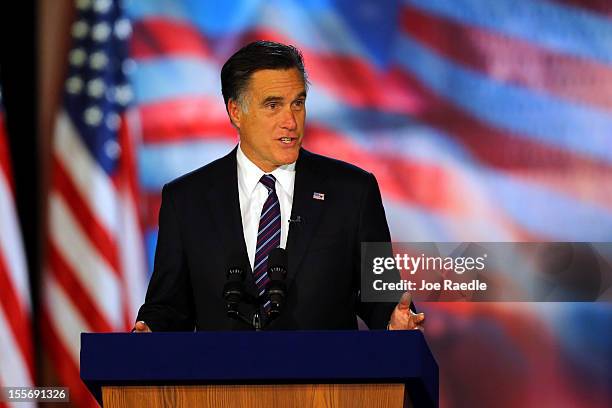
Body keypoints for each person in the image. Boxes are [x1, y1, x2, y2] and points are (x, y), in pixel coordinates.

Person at [134, 40, 424, 332]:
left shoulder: (353, 192)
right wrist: (150, 330)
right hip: (222, 376)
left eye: (298, 103)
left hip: (327, 376)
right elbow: (169, 306)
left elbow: (383, 294)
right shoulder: (186, 201)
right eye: (273, 105)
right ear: (236, 111)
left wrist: (394, 321)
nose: (291, 121)